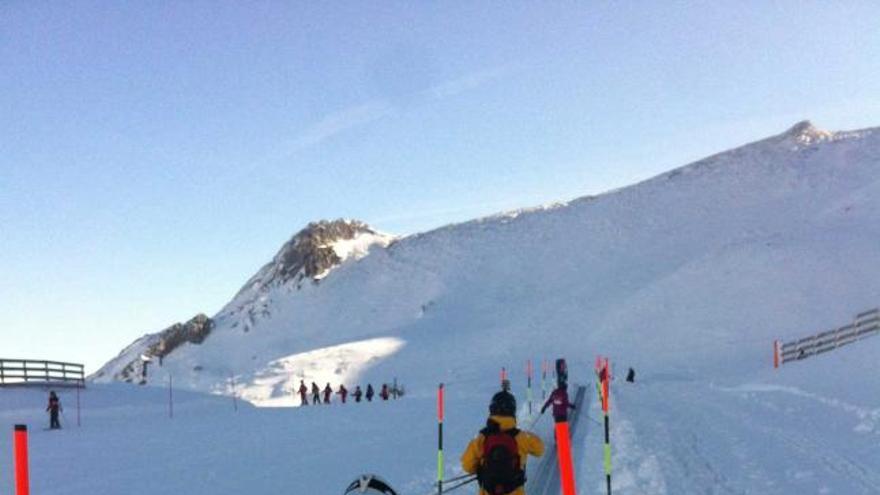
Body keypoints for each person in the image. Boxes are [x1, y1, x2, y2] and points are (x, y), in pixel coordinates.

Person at [461, 390, 544, 495]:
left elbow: (467, 466)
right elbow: (540, 450)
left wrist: (482, 467)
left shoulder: (481, 438)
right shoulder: (520, 437)